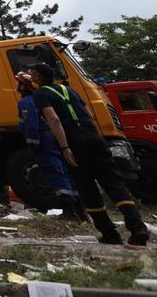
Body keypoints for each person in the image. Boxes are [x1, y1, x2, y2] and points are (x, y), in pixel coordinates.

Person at [29, 63, 149, 246]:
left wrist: (65, 147)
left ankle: (109, 233)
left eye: (33, 73)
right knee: (114, 182)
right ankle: (137, 227)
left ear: (38, 76)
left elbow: (54, 119)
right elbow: (89, 115)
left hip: (75, 141)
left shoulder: (40, 94)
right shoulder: (69, 90)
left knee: (86, 187)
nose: (31, 76)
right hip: (94, 137)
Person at [15, 72, 82, 217]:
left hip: (44, 141)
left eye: (20, 84)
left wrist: (33, 144)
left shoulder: (26, 102)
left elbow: (31, 125)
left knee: (54, 172)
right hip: (56, 137)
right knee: (65, 171)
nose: (18, 87)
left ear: (25, 87)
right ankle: (79, 209)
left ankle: (69, 211)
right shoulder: (43, 98)